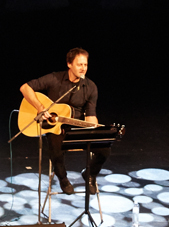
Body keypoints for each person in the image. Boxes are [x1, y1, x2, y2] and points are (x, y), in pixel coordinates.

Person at [20, 48, 108, 195]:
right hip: (55, 128)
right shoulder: (54, 78)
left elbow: (91, 114)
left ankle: (90, 174)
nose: (83, 68)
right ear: (69, 64)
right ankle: (63, 178)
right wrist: (40, 108)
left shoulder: (91, 87)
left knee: (105, 148)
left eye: (85, 65)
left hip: (76, 128)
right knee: (55, 146)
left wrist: (94, 128)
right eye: (79, 64)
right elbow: (25, 88)